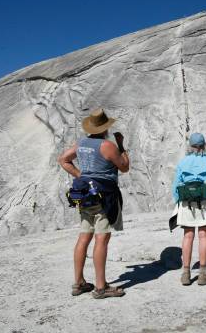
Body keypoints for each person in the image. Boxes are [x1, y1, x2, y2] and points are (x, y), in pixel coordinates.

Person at [58, 108, 130, 299]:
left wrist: (81, 175)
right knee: (101, 238)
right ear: (105, 128)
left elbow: (63, 160)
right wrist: (122, 146)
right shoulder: (107, 145)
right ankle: (101, 287)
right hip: (103, 195)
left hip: (84, 194)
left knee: (84, 237)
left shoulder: (81, 143)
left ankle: (79, 282)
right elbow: (124, 167)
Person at [171, 133, 206, 286]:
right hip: (204, 201)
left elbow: (176, 185)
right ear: (203, 145)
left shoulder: (183, 162)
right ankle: (203, 273)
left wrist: (178, 201)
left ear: (190, 146)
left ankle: (186, 273)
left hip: (187, 201)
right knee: (203, 235)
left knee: (188, 236)